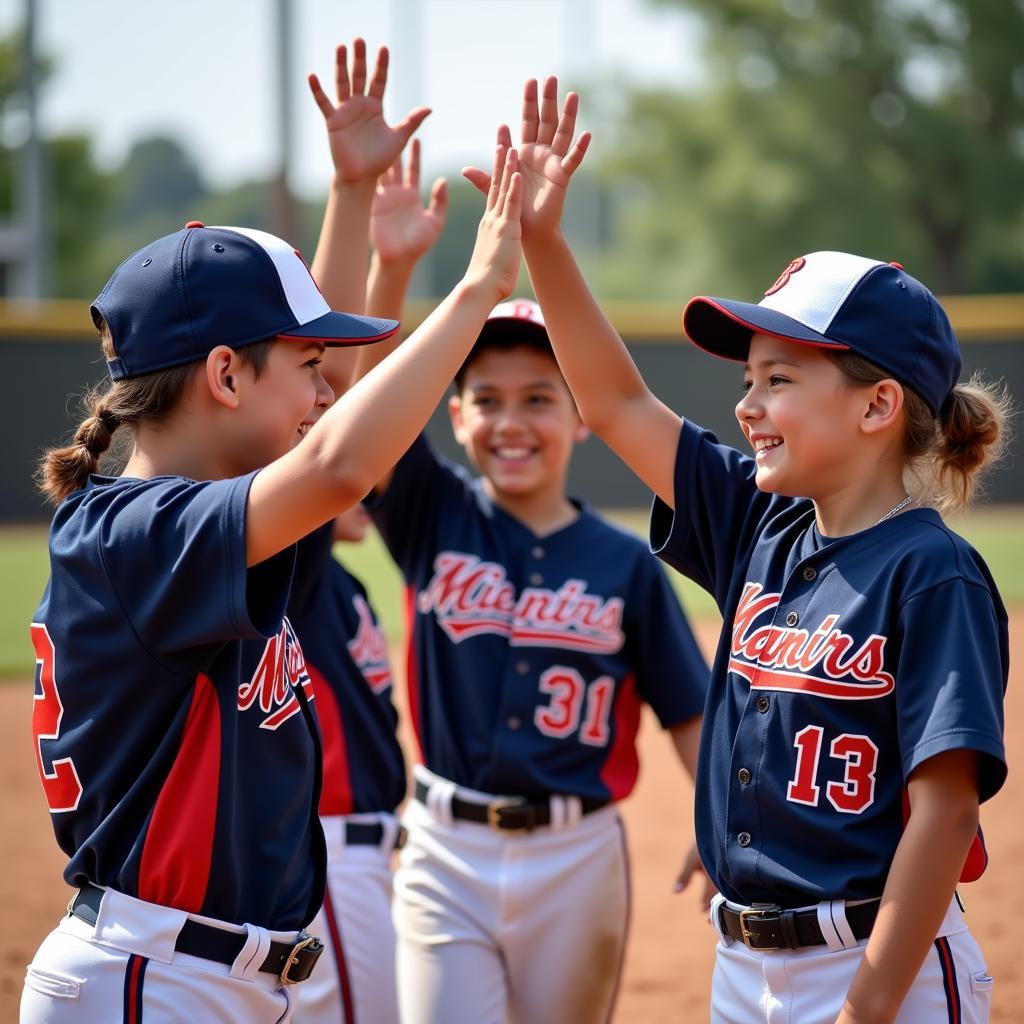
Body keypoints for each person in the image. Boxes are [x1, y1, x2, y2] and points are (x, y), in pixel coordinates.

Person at [484, 75, 1010, 1024]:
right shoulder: (756, 525)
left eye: (777, 378)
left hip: (876, 969)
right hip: (742, 968)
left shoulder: (932, 574)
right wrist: (545, 246)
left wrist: (869, 1004)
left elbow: (944, 810)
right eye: (748, 379)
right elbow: (613, 406)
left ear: (877, 405)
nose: (745, 405)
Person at [22, 125, 523, 1023]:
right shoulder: (134, 535)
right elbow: (338, 462)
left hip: (204, 971)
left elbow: (330, 431)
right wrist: (477, 289)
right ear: (223, 375)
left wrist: (353, 197)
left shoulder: (203, 529)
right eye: (309, 368)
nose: (327, 391)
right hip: (151, 976)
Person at [327, 142, 709, 1020]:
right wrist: (391, 269)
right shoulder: (431, 511)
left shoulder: (624, 563)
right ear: (452, 413)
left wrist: (713, 811)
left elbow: (687, 708)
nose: (510, 420)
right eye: (485, 398)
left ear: (580, 415)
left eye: (540, 397)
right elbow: (361, 405)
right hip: (443, 851)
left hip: (576, 858)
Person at [291, 40, 447, 1024]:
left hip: (366, 850)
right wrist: (362, 232)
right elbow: (340, 423)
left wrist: (390, 262)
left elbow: (347, 415)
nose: (366, 465)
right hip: (329, 856)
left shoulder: (337, 583)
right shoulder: (285, 560)